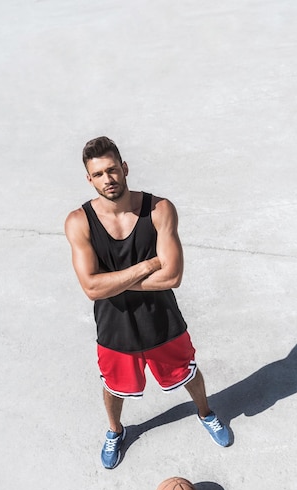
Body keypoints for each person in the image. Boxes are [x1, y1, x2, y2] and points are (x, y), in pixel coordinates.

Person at [65, 136, 230, 469]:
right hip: (114, 328)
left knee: (188, 373)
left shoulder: (159, 209)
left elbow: (172, 278)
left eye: (112, 170)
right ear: (89, 179)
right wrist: (146, 265)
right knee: (113, 387)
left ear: (124, 168)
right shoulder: (78, 222)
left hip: (163, 320)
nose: (107, 179)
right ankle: (115, 431)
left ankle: (206, 412)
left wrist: (113, 281)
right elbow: (92, 289)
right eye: (98, 174)